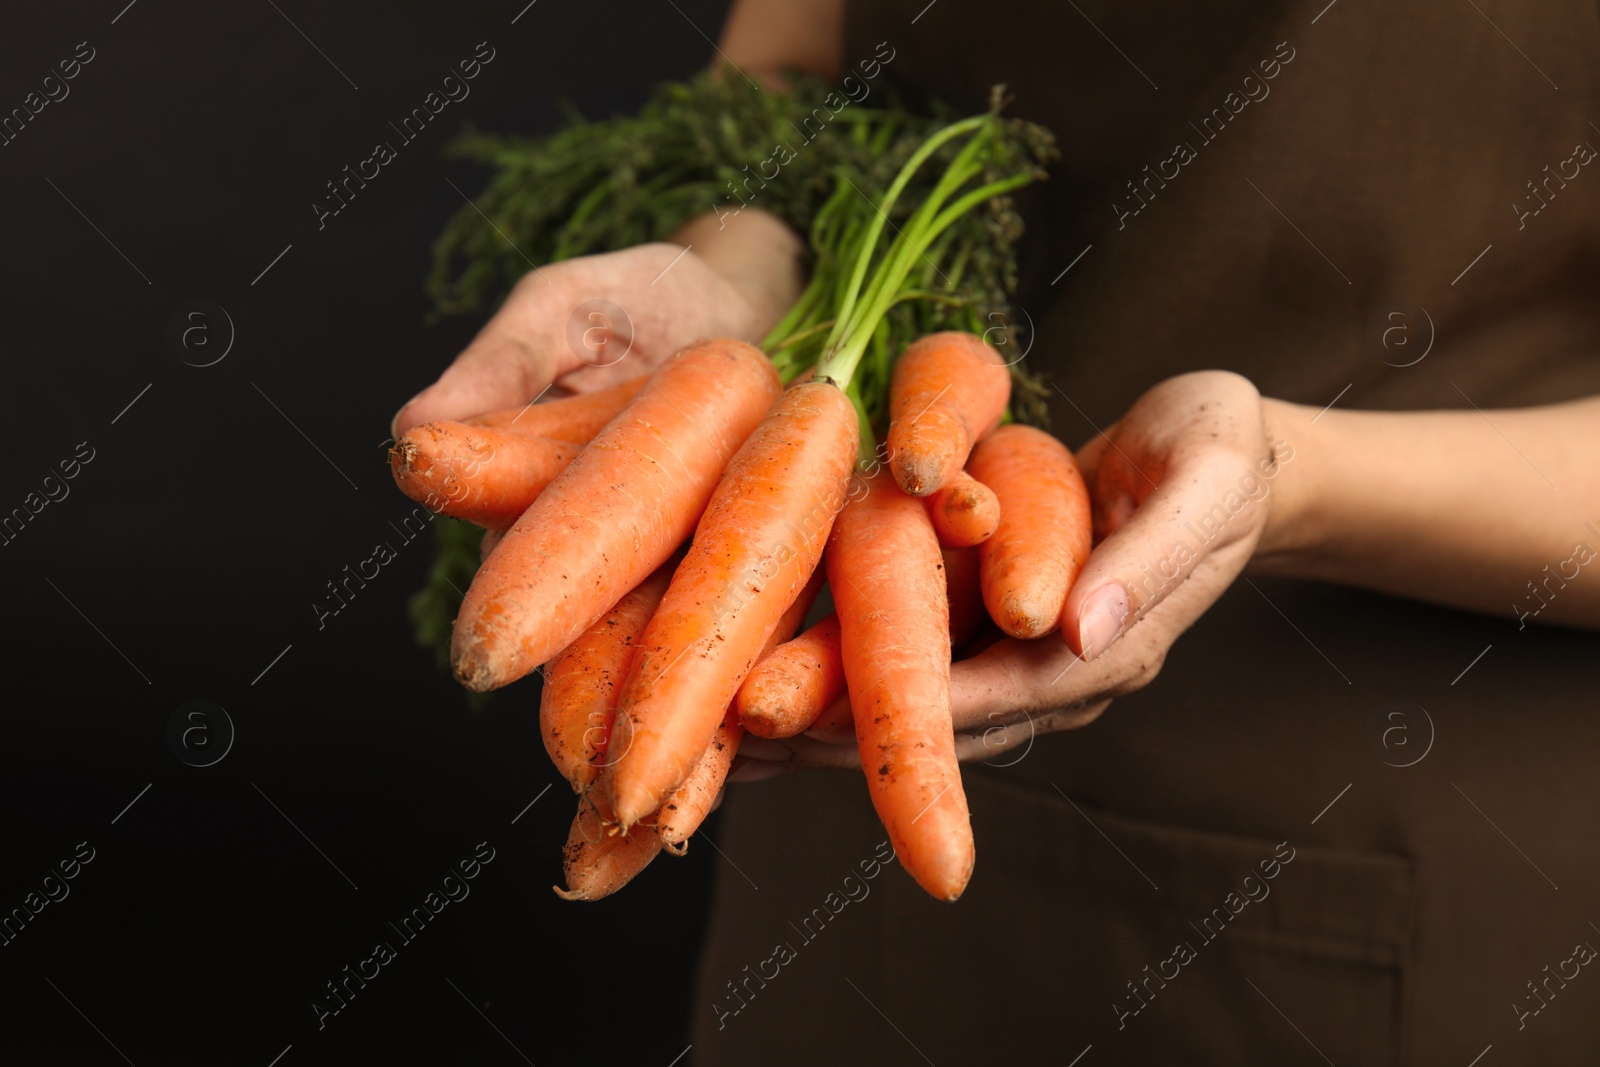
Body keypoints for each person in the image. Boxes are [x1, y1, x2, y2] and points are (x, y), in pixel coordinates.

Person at [393, 0, 1600, 1060]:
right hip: (836, 730)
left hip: (1354, 834)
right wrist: (745, 261)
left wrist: (1291, 477)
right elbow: (790, 61)